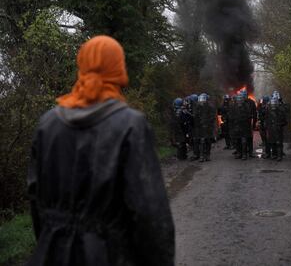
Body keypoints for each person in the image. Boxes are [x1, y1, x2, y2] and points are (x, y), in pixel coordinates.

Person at [26, 36, 174, 266]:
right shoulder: (131, 125)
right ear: (117, 67)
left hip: (50, 253)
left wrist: (53, 241)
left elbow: (36, 200)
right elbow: (150, 213)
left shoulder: (47, 124)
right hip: (109, 254)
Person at [192, 93, 216, 162]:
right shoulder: (197, 107)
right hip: (200, 128)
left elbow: (212, 117)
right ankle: (202, 156)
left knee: (208, 141)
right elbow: (196, 117)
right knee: (202, 141)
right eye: (200, 100)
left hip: (208, 127)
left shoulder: (210, 107)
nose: (201, 101)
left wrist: (207, 123)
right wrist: (197, 123)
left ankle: (207, 155)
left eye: (202, 100)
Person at [265, 96, 287, 161]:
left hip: (278, 129)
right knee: (272, 142)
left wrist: (279, 125)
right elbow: (266, 119)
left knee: (278, 143)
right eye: (272, 104)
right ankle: (274, 154)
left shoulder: (281, 111)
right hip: (271, 129)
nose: (273, 106)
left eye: (274, 104)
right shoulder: (268, 111)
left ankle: (279, 156)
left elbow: (285, 121)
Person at [232, 94, 251, 160]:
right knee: (237, 140)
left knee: (244, 141)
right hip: (236, 126)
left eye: (240, 99)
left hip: (244, 126)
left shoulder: (246, 106)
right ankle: (239, 153)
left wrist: (243, 119)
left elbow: (249, 115)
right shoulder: (234, 107)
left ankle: (244, 154)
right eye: (238, 99)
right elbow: (231, 115)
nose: (239, 101)